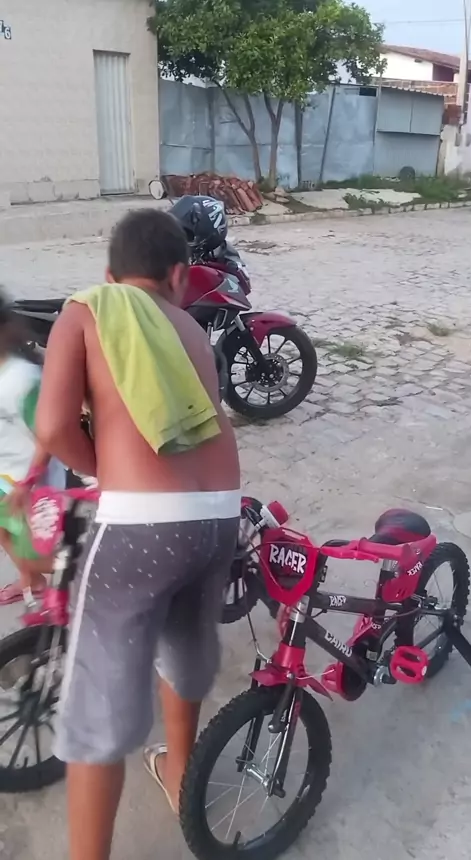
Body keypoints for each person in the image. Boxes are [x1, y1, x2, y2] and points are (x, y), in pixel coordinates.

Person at [35, 208, 241, 860]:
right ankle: (180, 778)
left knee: (98, 709)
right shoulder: (194, 330)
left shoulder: (88, 309)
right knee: (185, 648)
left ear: (110, 277)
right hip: (219, 517)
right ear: (179, 276)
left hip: (141, 526)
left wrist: (103, 468)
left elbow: (52, 427)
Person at [0, 291, 66, 606]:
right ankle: (32, 581)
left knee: (40, 553)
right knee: (5, 532)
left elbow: (48, 435)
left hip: (32, 482)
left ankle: (86, 575)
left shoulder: (22, 380)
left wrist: (28, 482)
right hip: (6, 475)